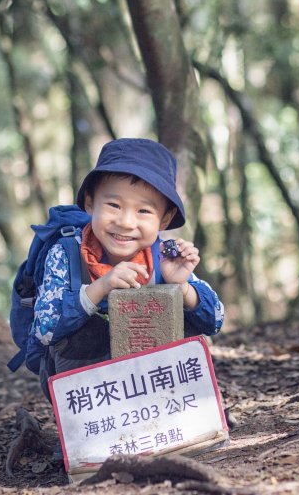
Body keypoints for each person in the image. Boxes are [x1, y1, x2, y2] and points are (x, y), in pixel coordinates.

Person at [31, 138, 224, 399]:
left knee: (180, 317)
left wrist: (181, 285)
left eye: (144, 210)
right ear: (90, 203)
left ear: (164, 219)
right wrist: (99, 288)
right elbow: (44, 330)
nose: (125, 222)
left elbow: (215, 321)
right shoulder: (66, 254)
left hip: (158, 390)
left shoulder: (166, 255)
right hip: (91, 395)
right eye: (113, 205)